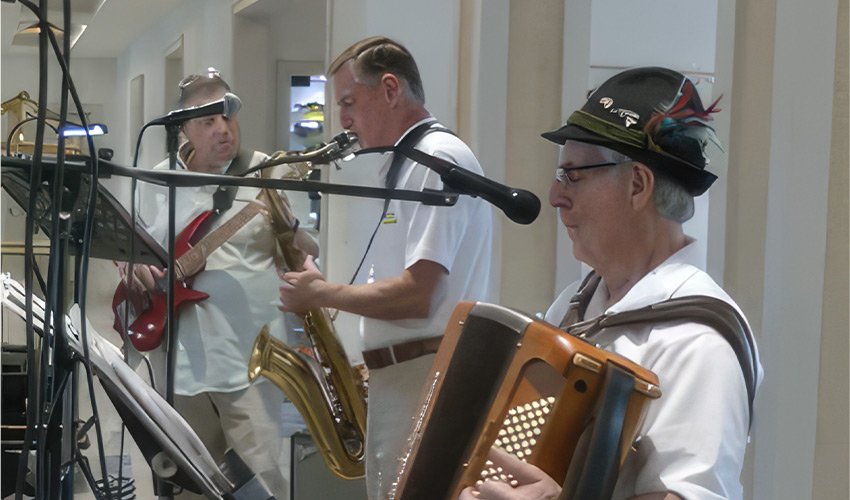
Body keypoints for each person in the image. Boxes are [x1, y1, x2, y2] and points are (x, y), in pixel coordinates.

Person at [460, 67, 762, 500]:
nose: (555, 196)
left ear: (638, 185)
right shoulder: (575, 303)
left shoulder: (698, 343)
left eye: (573, 176)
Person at [277, 36, 493, 499]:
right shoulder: (407, 163)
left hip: (423, 373)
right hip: (403, 374)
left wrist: (321, 294)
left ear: (391, 90)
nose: (343, 120)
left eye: (350, 102)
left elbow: (419, 295)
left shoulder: (439, 159)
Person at [118, 69, 316, 499]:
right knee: (187, 486)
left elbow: (303, 256)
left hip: (251, 361)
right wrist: (129, 267)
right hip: (177, 364)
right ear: (184, 128)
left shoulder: (269, 172)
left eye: (227, 115)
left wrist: (289, 225)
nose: (223, 129)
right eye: (207, 121)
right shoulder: (158, 178)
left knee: (262, 483)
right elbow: (129, 248)